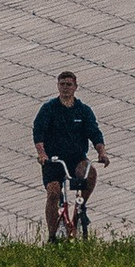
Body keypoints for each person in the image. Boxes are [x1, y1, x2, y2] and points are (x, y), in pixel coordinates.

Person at [31, 70, 109, 236]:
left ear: (75, 87)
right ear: (58, 86)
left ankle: (80, 208)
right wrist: (42, 154)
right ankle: (52, 235)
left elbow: (94, 133)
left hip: (76, 158)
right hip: (54, 160)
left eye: (69, 84)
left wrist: (102, 152)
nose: (65, 88)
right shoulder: (49, 109)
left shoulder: (83, 110)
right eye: (62, 84)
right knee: (53, 193)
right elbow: (39, 133)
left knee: (89, 174)